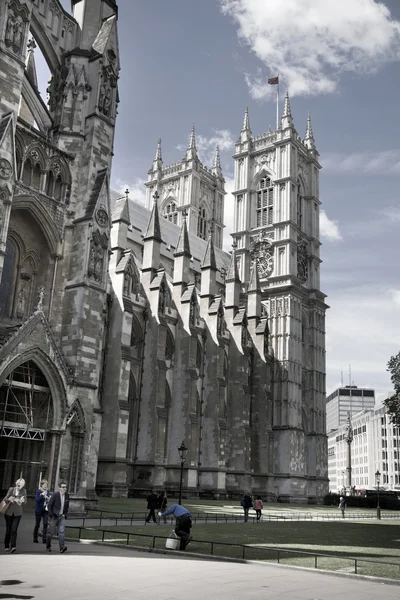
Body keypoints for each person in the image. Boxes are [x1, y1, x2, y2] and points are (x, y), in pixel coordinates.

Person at [3, 478, 26, 553]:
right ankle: (6, 545)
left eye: (21, 486)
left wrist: (22, 501)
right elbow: (5, 498)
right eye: (18, 485)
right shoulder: (11, 489)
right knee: (8, 529)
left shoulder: (23, 491)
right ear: (16, 484)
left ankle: (13, 546)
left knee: (14, 529)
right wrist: (10, 499)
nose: (19, 487)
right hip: (9, 512)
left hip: (18, 513)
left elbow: (25, 501)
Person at [46, 481, 69, 553]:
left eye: (65, 487)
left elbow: (66, 506)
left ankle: (62, 547)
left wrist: (65, 514)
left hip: (61, 516)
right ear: (59, 488)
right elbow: (49, 505)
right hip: (54, 516)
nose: (65, 488)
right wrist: (51, 514)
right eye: (63, 487)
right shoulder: (55, 495)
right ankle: (48, 546)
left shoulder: (67, 495)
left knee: (61, 532)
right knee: (50, 532)